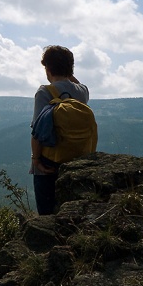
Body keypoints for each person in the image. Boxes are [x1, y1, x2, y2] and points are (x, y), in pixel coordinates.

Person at [30, 45, 91, 215]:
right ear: (71, 69)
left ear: (47, 69)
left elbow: (37, 130)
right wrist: (68, 73)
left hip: (50, 161)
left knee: (47, 213)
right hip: (78, 158)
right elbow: (77, 83)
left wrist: (36, 160)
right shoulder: (83, 92)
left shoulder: (44, 92)